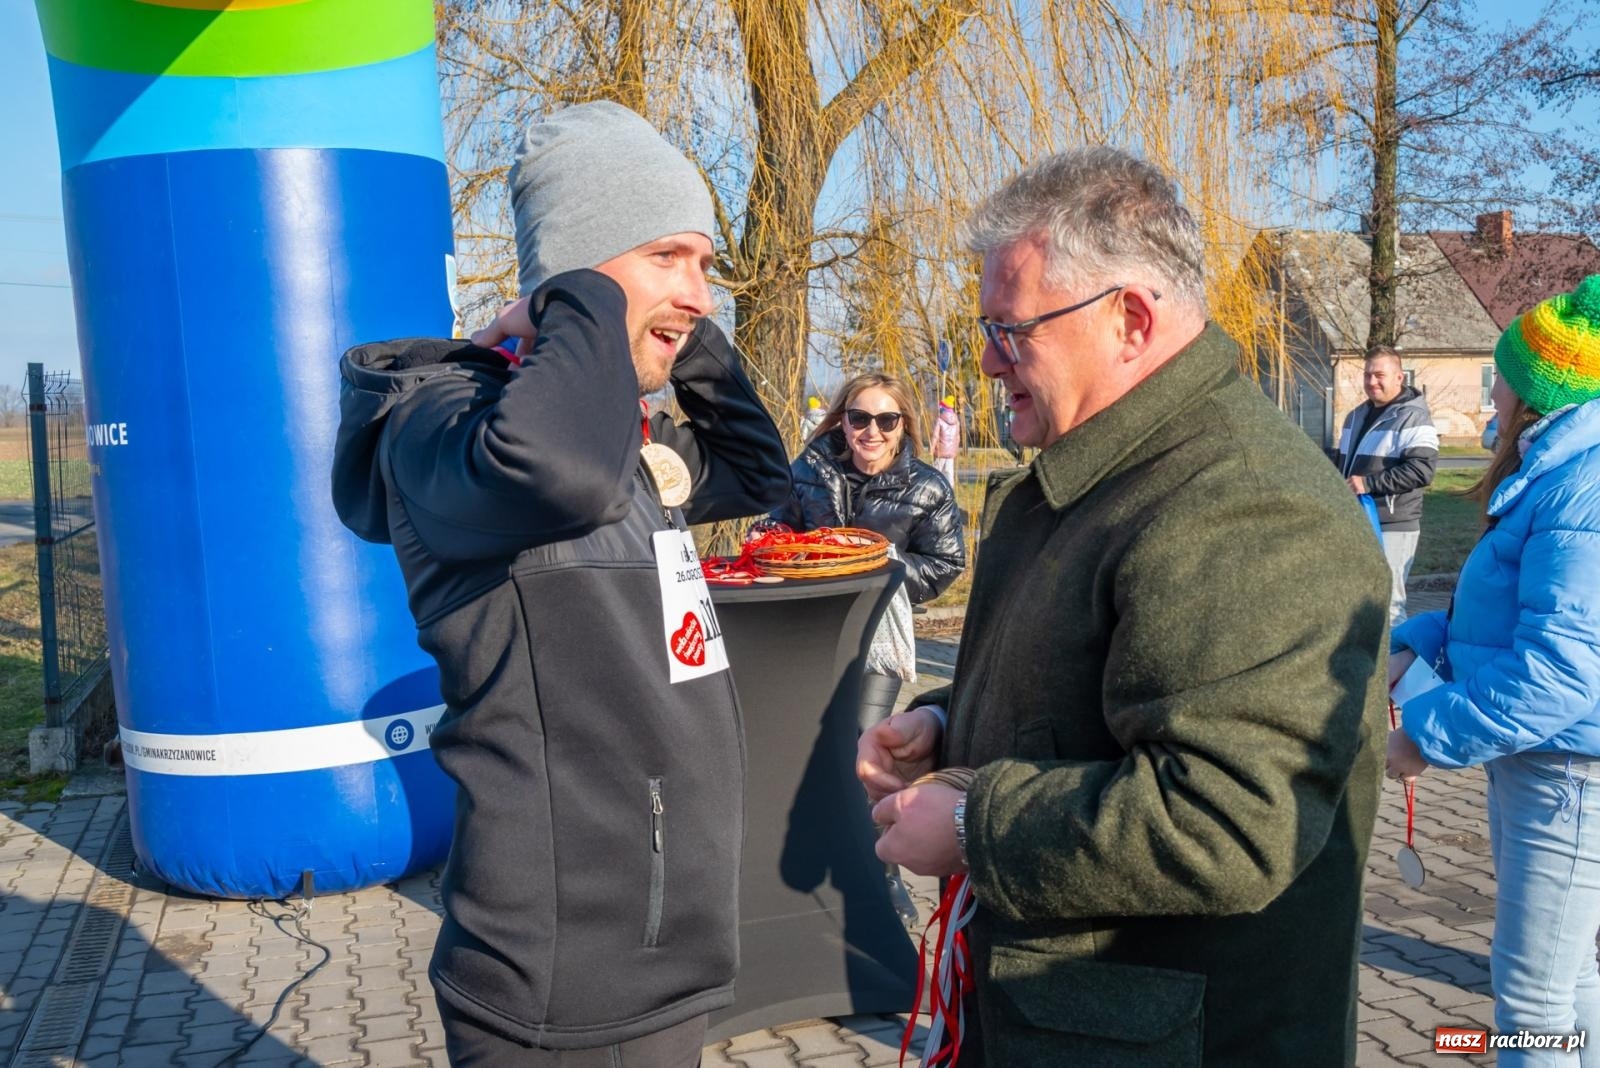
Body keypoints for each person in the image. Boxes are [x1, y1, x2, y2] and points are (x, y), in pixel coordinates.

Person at [857, 146, 1389, 1065]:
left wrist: (977, 823)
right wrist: (953, 727)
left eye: (1009, 329)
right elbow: (1112, 684)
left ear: (1130, 319)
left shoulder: (1246, 503)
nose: (986, 361)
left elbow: (1225, 820)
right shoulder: (1117, 466)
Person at [331, 101, 790, 1065]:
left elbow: (755, 471)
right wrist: (577, 293)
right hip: (563, 987)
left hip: (660, 957)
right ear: (582, 270)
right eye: (671, 255)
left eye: (706, 266)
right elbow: (558, 477)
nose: (702, 292)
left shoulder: (613, 441)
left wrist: (672, 323)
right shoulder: (450, 427)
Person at [1386, 276, 1600, 1066]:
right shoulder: (1559, 469)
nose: (1493, 382)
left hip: (1569, 773)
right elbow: (1512, 612)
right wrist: (1424, 643)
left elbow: (1563, 669)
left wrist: (1429, 738)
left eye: (1501, 367)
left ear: (1534, 389)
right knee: (1568, 980)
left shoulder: (1584, 484)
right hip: (1549, 765)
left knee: (1533, 1005)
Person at [768, 371, 966, 726]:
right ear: (843, 422)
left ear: (903, 425)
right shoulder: (807, 469)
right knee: (803, 738)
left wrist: (878, 564)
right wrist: (771, 536)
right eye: (859, 418)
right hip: (811, 626)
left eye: (886, 420)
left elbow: (945, 563)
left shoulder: (929, 487)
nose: (872, 431)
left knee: (863, 743)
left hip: (880, 631)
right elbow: (781, 528)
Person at [1331, 346, 1439, 625]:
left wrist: (1369, 483)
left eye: (1379, 375)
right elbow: (1342, 465)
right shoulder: (1355, 416)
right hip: (1356, 522)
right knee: (1357, 599)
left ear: (1400, 377)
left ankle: (1395, 666)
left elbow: (1422, 471)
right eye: (1367, 375)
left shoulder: (1414, 417)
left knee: (1389, 606)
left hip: (1393, 525)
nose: (1372, 382)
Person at [931, 394, 961, 487]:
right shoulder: (956, 421)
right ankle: (950, 490)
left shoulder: (940, 420)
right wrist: (955, 450)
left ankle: (935, 488)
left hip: (940, 450)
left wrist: (931, 448)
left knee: (936, 471)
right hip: (951, 453)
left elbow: (935, 436)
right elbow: (958, 437)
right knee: (949, 472)